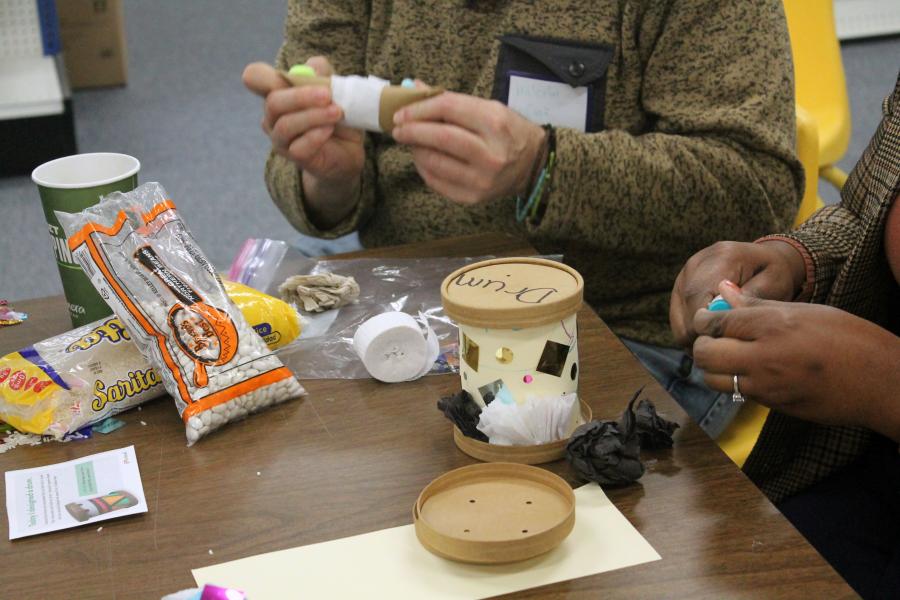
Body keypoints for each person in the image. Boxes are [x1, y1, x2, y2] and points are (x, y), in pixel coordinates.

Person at [243, 1, 803, 432]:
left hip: (612, 325)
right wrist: (330, 177)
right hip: (402, 300)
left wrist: (545, 168)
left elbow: (755, 188)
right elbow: (300, 181)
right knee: (262, 436)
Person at [669, 73, 900, 598]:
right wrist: (793, 260)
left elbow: (754, 171)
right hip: (865, 459)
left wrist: (884, 383)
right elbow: (868, 211)